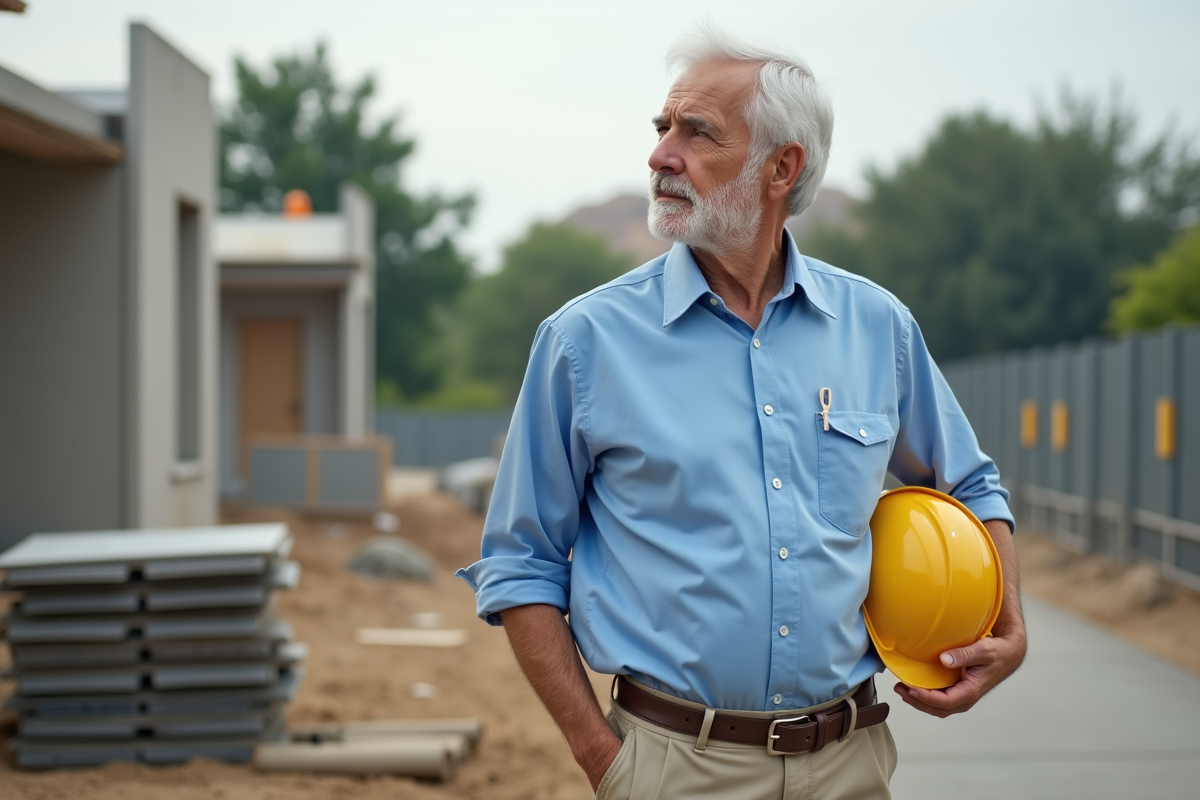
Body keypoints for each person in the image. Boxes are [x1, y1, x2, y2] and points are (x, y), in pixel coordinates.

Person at [457, 25, 1027, 800]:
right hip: (674, 769)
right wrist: (605, 760)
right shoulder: (584, 343)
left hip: (851, 760)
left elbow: (973, 484)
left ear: (780, 167)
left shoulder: (877, 327)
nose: (662, 154)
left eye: (698, 133)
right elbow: (519, 565)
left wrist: (1008, 626)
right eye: (663, 128)